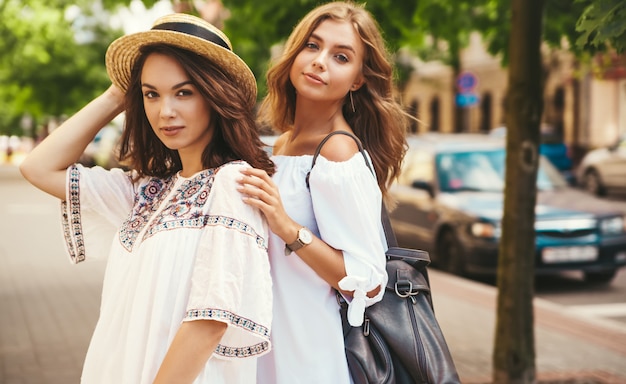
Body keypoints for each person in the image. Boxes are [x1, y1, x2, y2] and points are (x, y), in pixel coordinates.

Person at [19, 13, 274, 384]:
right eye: (151, 94)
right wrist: (117, 93)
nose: (164, 111)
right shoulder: (144, 192)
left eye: (183, 92)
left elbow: (210, 321)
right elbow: (39, 167)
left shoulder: (233, 183)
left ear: (216, 95)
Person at [236, 2, 409, 383]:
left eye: (341, 56)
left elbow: (369, 278)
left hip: (309, 353)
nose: (319, 61)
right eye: (312, 46)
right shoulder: (281, 145)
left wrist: (287, 227)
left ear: (358, 80)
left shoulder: (337, 152)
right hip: (266, 344)